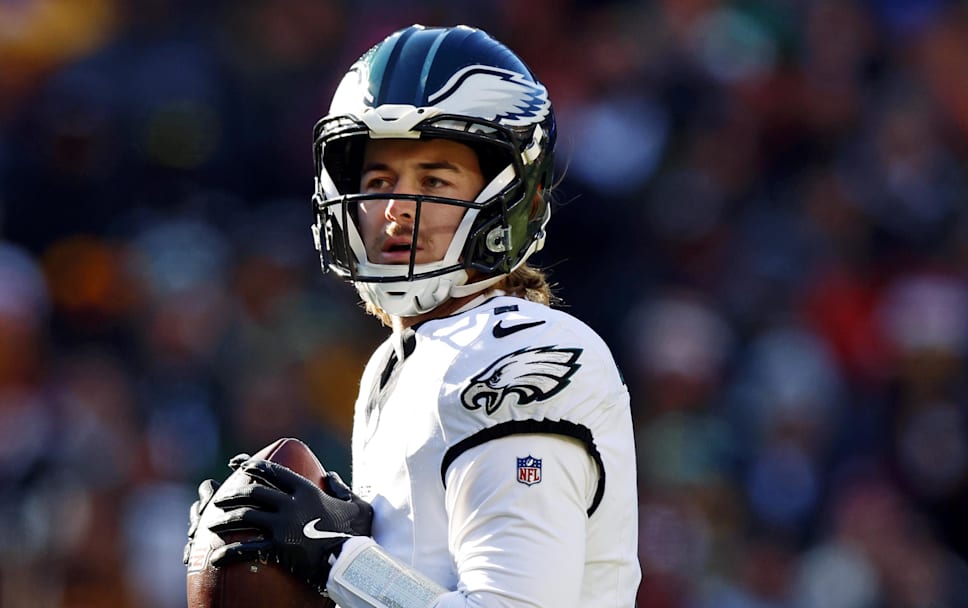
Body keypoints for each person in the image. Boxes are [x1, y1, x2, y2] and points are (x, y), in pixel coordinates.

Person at [185, 24, 641, 608]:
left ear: (513, 197)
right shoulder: (396, 362)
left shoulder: (517, 353)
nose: (398, 209)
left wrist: (330, 558)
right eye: (380, 181)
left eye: (434, 179)